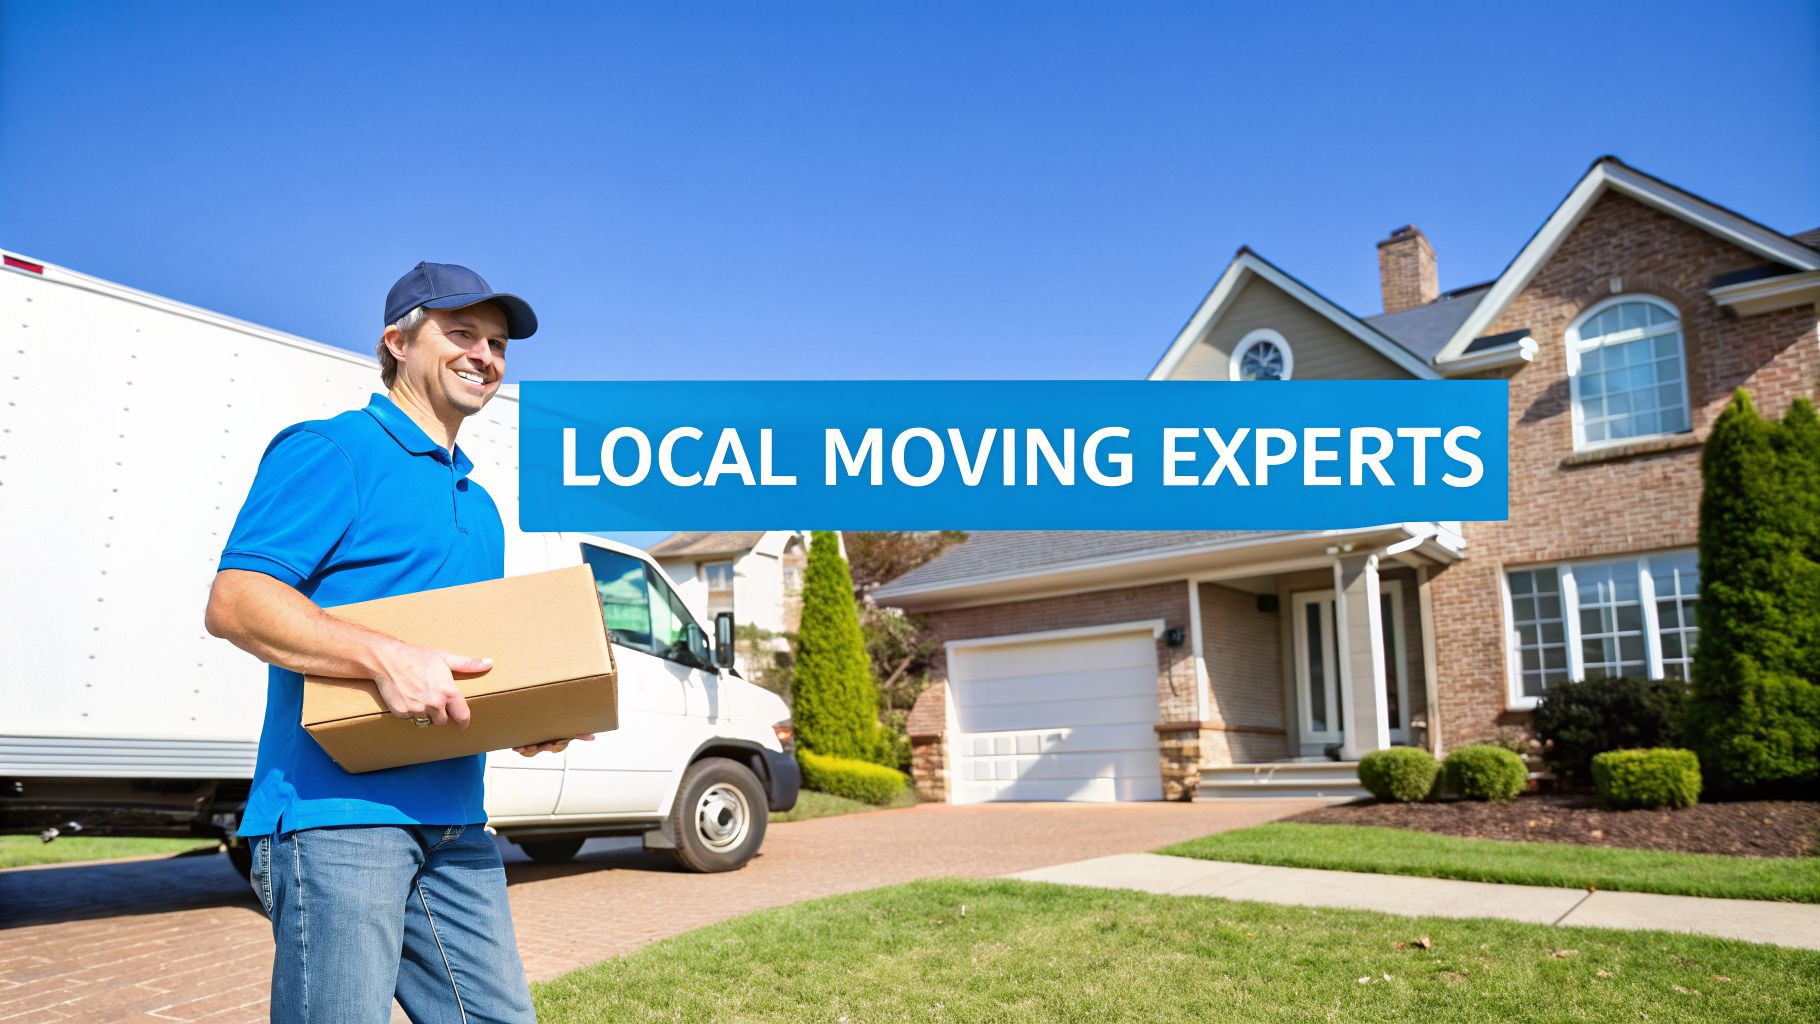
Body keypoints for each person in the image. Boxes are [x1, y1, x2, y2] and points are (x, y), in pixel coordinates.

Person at [204, 262, 588, 1023]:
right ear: (397, 342)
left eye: (499, 342)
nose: (485, 354)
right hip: (334, 818)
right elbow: (237, 601)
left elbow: (454, 661)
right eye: (462, 333)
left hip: (455, 822)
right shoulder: (335, 449)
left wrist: (526, 716)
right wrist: (383, 657)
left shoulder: (480, 507)